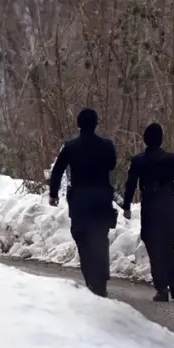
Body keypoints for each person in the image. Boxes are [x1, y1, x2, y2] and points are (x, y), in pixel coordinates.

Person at [48, 108, 118, 298]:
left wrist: (53, 193)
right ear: (96, 123)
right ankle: (101, 280)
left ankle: (91, 280)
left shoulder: (70, 147)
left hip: (80, 201)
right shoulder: (107, 145)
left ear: (78, 125)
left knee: (83, 239)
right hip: (102, 199)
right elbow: (112, 164)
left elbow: (58, 170)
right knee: (101, 239)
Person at [121, 122, 174, 303]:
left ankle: (161, 288)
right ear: (161, 139)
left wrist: (127, 205)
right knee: (170, 246)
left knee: (154, 248)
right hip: (170, 205)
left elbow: (130, 184)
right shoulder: (171, 159)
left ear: (145, 139)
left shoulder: (138, 161)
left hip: (151, 207)